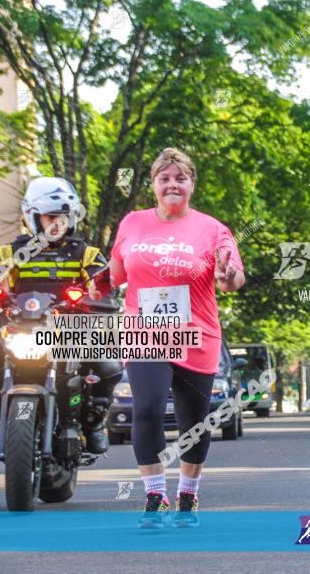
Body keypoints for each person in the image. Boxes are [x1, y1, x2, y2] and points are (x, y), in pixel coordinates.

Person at [109, 148, 245, 528]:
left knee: (193, 422)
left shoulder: (212, 228)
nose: (172, 184)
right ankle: (155, 496)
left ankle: (188, 493)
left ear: (191, 184)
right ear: (154, 184)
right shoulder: (132, 223)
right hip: (144, 331)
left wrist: (226, 274)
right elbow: (114, 275)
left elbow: (234, 279)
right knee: (148, 408)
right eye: (164, 178)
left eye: (180, 178)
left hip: (195, 335)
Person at [0, 177, 121, 457]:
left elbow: (105, 283)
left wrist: (99, 294)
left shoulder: (86, 254)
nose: (58, 223)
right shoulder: (11, 252)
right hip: (17, 331)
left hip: (68, 332)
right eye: (50, 217)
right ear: (33, 217)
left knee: (109, 365)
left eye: (64, 217)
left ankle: (92, 425)